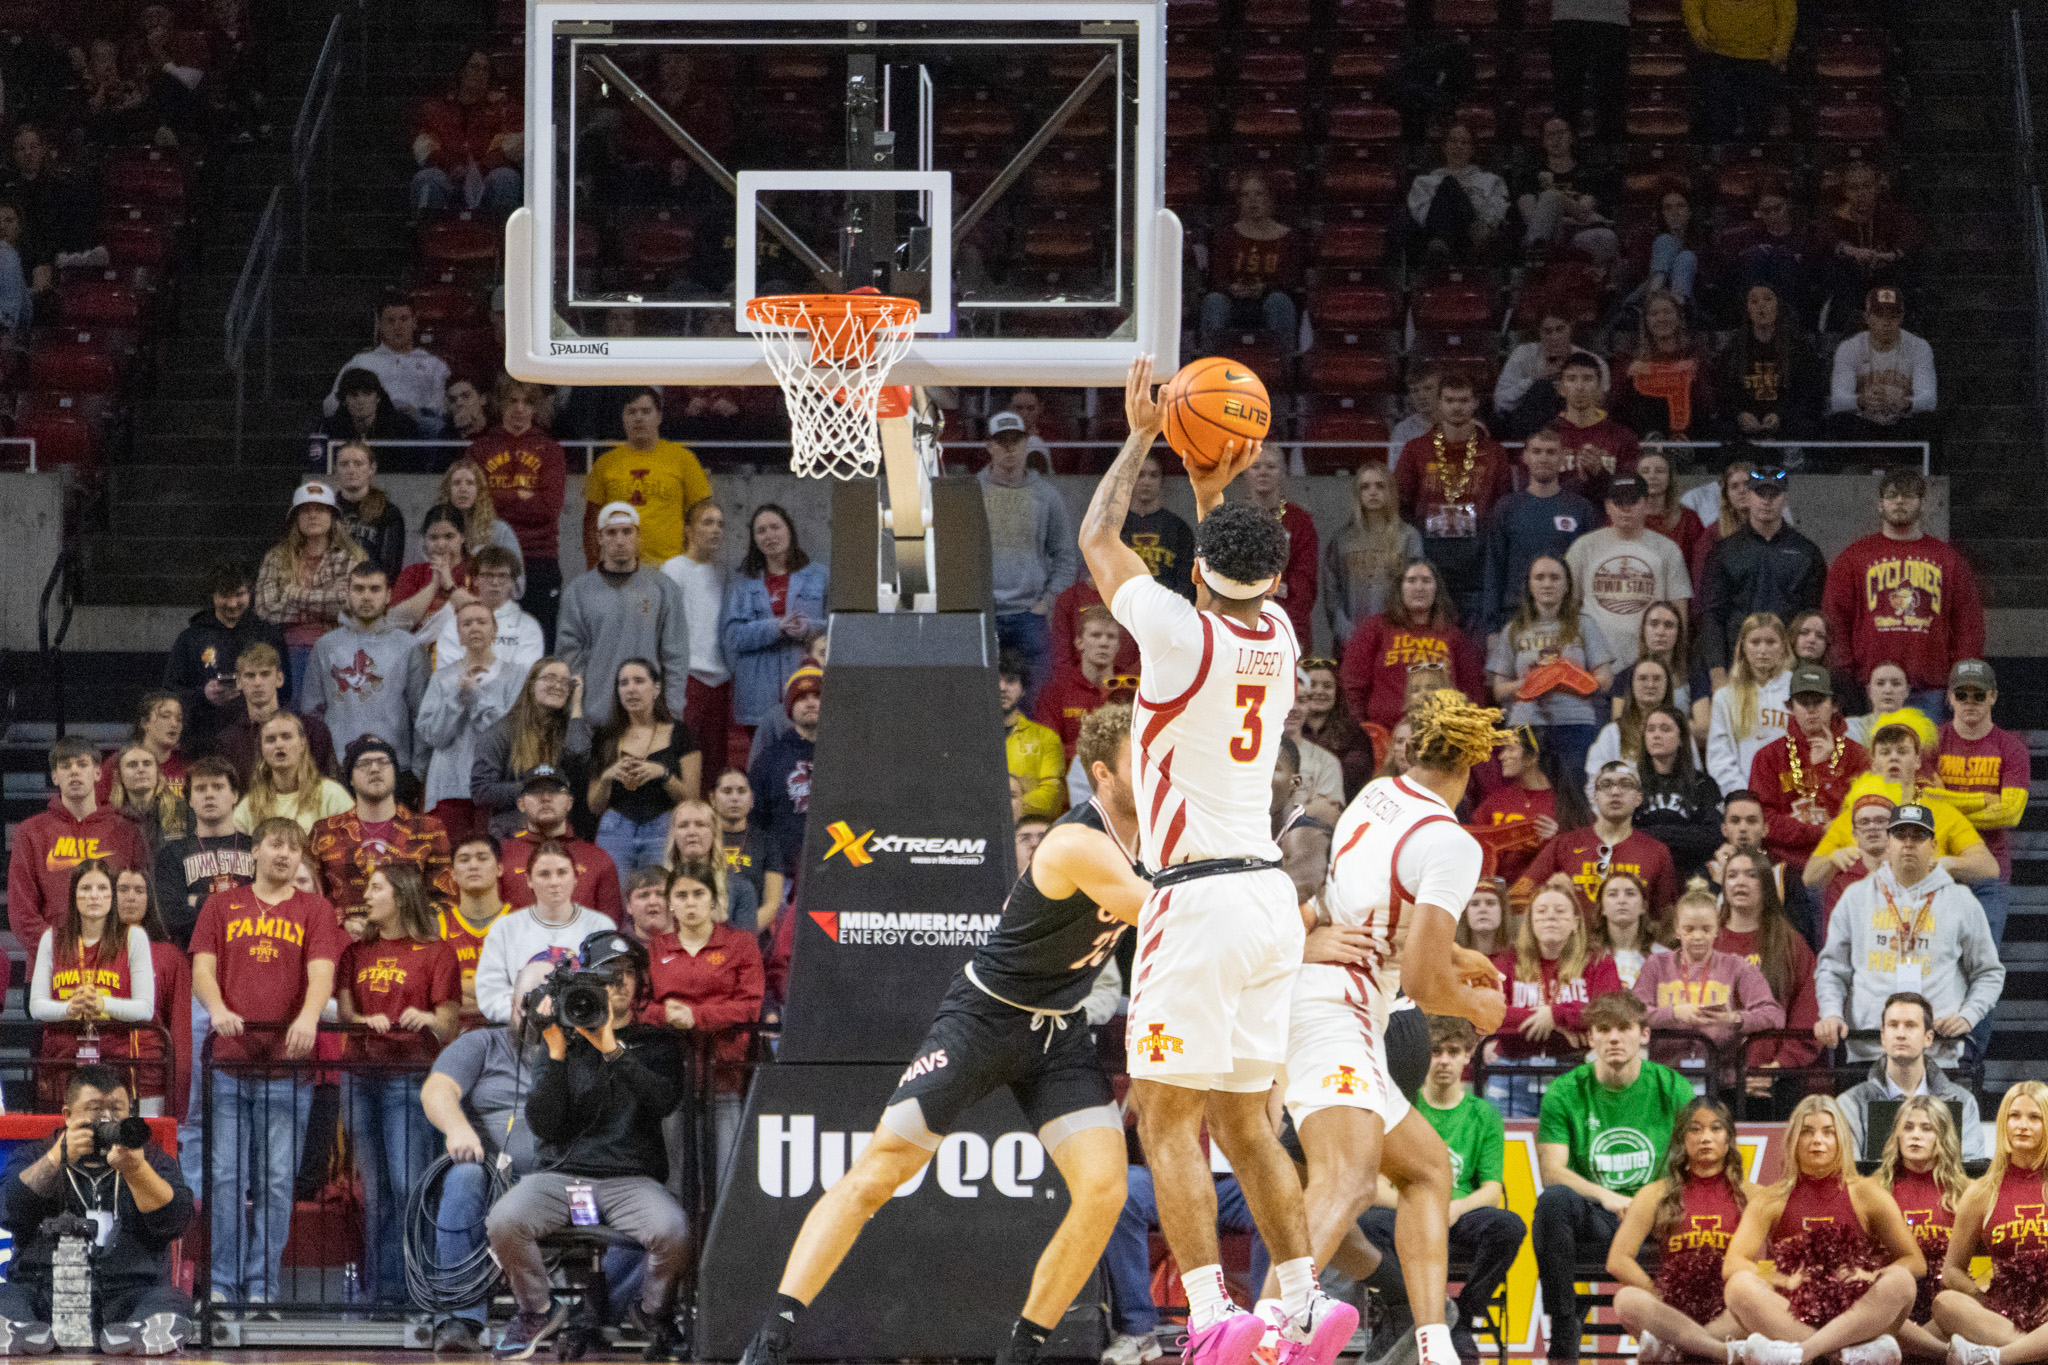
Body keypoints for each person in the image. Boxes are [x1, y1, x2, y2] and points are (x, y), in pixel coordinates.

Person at [1079, 357, 1354, 1365]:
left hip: (1193, 902)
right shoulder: (1279, 636)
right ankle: (1297, 1303)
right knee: (1245, 1124)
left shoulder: (1171, 631)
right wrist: (1214, 473)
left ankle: (1208, 1319)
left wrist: (1147, 431)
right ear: (1274, 581)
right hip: (1270, 899)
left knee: (1160, 1114)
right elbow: (1229, 549)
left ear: (1193, 572)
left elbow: (1097, 539)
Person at [736, 700, 1152, 1365]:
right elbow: (1163, 910)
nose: (1161, 767)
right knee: (879, 1172)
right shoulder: (1078, 839)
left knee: (1105, 1187)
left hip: (1059, 1033)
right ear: (1105, 773)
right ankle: (771, 1339)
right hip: (984, 1018)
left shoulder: (1158, 827)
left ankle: (1022, 1350)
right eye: (1145, 757)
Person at [1281, 690, 1513, 1365]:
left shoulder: (1377, 794)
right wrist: (1480, 1011)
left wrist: (1457, 954)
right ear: (1471, 761)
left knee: (1428, 1167)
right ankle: (1262, 1330)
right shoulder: (1451, 842)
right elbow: (1421, 981)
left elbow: (1357, 905)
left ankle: (1432, 1341)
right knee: (1347, 1183)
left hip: (1331, 993)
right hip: (1337, 1006)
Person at [485, 930, 689, 1360]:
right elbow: (543, 1124)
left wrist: (614, 1051)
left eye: (626, 974)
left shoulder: (657, 1043)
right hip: (560, 1174)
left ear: (640, 983)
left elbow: (663, 1101)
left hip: (629, 1177)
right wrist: (556, 1053)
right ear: (588, 982)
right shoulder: (563, 1041)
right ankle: (538, 1311)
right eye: (605, 976)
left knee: (673, 1231)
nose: (616, 984)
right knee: (504, 1219)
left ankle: (652, 1312)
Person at [190, 817, 347, 1308]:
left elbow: (322, 970)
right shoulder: (221, 904)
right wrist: (217, 1010)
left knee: (278, 1182)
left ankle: (262, 1289)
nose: (285, 855)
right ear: (254, 850)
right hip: (230, 1062)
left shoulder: (314, 908)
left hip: (287, 1065)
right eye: (276, 845)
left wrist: (307, 1017)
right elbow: (202, 968)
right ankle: (222, 1282)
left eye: (295, 849)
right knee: (227, 1179)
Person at [1531, 991, 1697, 1364]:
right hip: (1598, 1215)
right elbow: (1552, 1171)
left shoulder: (1673, 1088)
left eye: (1624, 1028)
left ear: (1644, 1035)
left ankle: (1698, 1333)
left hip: (1657, 1214)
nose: (1614, 1038)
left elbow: (1696, 1167)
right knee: (1553, 1202)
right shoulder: (1564, 1091)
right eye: (1603, 1030)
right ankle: (1563, 1325)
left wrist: (1646, 1202)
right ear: (1591, 1038)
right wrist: (1606, 1196)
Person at [1354, 1016, 1524, 1365]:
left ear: (1467, 1056)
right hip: (1407, 1215)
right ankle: (1406, 1309)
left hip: (1458, 1216)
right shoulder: (1401, 1107)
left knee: (1509, 1226)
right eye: (1435, 1051)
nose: (1444, 1060)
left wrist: (1454, 1209)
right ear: (1421, 1056)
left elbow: (1492, 1189)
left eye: (1453, 1051)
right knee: (1367, 1224)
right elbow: (1375, 1187)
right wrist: (1421, 1209)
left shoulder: (1484, 1114)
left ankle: (1463, 1314)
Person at [0, 1064, 195, 1356]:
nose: (106, 1118)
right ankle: (24, 1330)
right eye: (94, 1108)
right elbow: (9, 1209)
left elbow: (177, 1218)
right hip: (45, 1290)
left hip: (129, 1292)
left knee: (173, 1300)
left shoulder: (151, 1157)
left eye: (117, 1109)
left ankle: (135, 1333)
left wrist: (136, 1170)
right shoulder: (37, 1153)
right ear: (67, 1116)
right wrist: (58, 1157)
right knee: (6, 1296)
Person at [335, 865, 459, 1304]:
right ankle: (381, 1290)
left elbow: (448, 1022)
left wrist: (426, 1017)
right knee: (376, 1188)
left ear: (401, 895)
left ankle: (416, 1288)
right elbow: (345, 1013)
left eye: (375, 887)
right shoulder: (354, 953)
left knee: (409, 1183)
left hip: (409, 1076)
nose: (366, 894)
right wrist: (362, 1020)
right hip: (361, 1075)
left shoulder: (436, 952)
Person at [1721, 1096, 1922, 1365]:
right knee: (1738, 1286)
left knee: (1901, 1280)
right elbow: (1733, 1264)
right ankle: (1844, 1357)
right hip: (1792, 1310)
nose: (1818, 1140)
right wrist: (1783, 1280)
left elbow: (1915, 1262)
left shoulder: (1867, 1194)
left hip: (1856, 1308)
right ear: (1793, 1140)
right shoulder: (1770, 1199)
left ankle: (1802, 1354)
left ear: (1841, 1139)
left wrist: (1870, 1274)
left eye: (1828, 1132)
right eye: (1807, 1131)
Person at [420, 956, 553, 1353]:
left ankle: (600, 1312)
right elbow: (436, 1090)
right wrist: (458, 1128)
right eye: (529, 1001)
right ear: (514, 1005)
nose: (540, 1011)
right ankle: (459, 1319)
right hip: (496, 1177)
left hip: (561, 1182)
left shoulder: (584, 1051)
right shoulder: (483, 1043)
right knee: (463, 1175)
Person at [1815, 804, 2004, 1069]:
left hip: (1937, 1051)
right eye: (1899, 835)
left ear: (1934, 845)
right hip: (1868, 1049)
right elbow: (1832, 969)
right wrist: (1831, 1013)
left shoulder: (1961, 900)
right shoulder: (1856, 897)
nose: (1908, 844)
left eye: (1918, 836)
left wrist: (1969, 1016)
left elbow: (1989, 972)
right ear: (1888, 843)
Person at [1822, 471, 1985, 712]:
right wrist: (1846, 675)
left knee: (1926, 751)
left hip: (1930, 688)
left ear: (1923, 503)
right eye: (1891, 496)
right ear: (1880, 504)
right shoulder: (1853, 558)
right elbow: (1834, 618)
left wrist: (1961, 680)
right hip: (1870, 686)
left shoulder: (1949, 560)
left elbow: (1968, 625)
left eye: (1908, 496)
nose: (1899, 501)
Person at [1608, 1099, 1756, 1363]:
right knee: (1626, 1299)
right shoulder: (1655, 1194)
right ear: (1682, 1139)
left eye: (1716, 1128)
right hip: (1673, 1308)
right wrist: (1658, 1297)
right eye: (1695, 1129)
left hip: (1730, 1312)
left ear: (1729, 1138)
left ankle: (1679, 1350)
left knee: (1758, 1302)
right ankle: (1719, 1353)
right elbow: (1618, 1260)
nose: (1705, 1138)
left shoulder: (1755, 1195)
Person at [641, 858, 764, 1173]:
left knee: (726, 1176)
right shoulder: (656, 948)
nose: (690, 903)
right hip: (672, 1078)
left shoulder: (741, 944)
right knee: (676, 1177)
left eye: (698, 893)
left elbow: (750, 1006)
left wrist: (697, 1016)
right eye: (681, 896)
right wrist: (666, 1014)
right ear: (671, 903)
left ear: (714, 900)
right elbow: (640, 1008)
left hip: (724, 1074)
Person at [1803, 710, 1999, 898]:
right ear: (1874, 764)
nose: (1893, 757)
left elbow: (1989, 867)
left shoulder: (1941, 812)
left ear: (1917, 761)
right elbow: (1809, 877)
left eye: (1902, 751)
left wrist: (1949, 863)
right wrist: (1833, 859)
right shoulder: (1858, 815)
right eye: (1885, 752)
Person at [1931, 1082, 2048, 1365]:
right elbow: (1952, 1271)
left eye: (2035, 1118)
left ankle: (1995, 1358)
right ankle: (2031, 1352)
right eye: (2014, 1115)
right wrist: (1984, 1299)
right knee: (1945, 1304)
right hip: (2003, 1314)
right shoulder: (1981, 1192)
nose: (2022, 1125)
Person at [29, 860, 160, 1104]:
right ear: (73, 895)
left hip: (116, 1063)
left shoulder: (134, 936)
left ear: (112, 896)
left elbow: (145, 1008)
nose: (94, 896)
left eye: (102, 888)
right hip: (63, 1061)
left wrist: (103, 1004)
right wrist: (70, 1009)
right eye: (86, 888)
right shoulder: (52, 938)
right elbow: (36, 1006)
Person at [1488, 883, 1625, 1111]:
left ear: (1575, 922)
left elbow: (1610, 1012)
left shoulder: (1599, 962)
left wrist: (1555, 1015)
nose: (1550, 916)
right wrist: (1555, 1023)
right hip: (1512, 1071)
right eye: (1541, 911)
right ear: (1530, 922)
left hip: (1575, 1070)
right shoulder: (1507, 962)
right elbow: (1493, 1013)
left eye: (1560, 911)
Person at [559, 503, 692, 733]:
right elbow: (570, 657)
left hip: (650, 719)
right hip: (596, 719)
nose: (620, 541)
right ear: (599, 538)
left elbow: (675, 655)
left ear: (638, 536)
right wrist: (576, 713)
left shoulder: (663, 588)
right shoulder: (578, 591)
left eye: (627, 532)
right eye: (611, 533)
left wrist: (672, 709)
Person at [9, 737, 150, 950]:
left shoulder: (128, 830)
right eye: (65, 766)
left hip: (113, 960)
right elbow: (22, 913)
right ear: (55, 776)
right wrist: (65, 951)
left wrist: (110, 951)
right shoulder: (30, 832)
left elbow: (140, 902)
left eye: (82, 764)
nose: (74, 771)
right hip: (51, 964)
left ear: (97, 773)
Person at [1393, 378, 1515, 624]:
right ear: (1439, 403)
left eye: (1463, 400)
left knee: (1472, 644)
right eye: (1449, 400)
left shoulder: (1494, 453)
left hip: (1479, 563)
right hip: (1429, 558)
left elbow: (1504, 507)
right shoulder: (1415, 450)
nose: (1456, 407)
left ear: (1475, 404)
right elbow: (1400, 505)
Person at [979, 413, 1080, 710]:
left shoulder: (1046, 496)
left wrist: (1047, 601)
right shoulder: (972, 493)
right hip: (985, 615)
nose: (1010, 448)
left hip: (1030, 615)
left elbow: (1065, 557)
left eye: (1016, 441)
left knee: (1038, 702)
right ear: (990, 446)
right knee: (981, 705)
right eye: (1002, 441)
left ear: (1027, 444)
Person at [1934, 660, 2028, 971]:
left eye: (1979, 695)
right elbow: (1922, 802)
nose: (1970, 702)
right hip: (1938, 869)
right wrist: (1984, 800)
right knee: (1935, 966)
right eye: (1962, 695)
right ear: (1950, 698)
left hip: (1991, 874)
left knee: (1981, 969)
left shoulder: (2011, 748)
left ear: (1993, 697)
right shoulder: (1931, 742)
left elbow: (2011, 814)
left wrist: (1945, 802)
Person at [1488, 556, 1615, 780]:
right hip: (1526, 726)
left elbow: (1605, 678)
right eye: (1540, 577)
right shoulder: (1513, 630)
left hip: (1575, 724)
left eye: (1555, 578)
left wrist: (1569, 678)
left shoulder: (1584, 624)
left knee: (1573, 795)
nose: (1547, 584)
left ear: (1567, 586)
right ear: (1529, 584)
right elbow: (1498, 690)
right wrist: (1532, 682)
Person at [719, 504, 828, 753]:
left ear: (789, 530)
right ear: (754, 539)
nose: (769, 535)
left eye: (775, 527)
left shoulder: (819, 576)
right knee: (762, 764)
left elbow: (837, 629)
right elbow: (732, 637)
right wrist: (776, 627)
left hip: (807, 690)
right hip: (757, 695)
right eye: (761, 531)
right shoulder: (742, 584)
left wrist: (806, 628)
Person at [306, 734, 452, 918]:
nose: (375, 769)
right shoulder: (324, 831)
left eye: (383, 762)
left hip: (408, 942)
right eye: (364, 763)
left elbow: (445, 899)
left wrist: (410, 928)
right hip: (342, 942)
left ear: (395, 773)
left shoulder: (428, 829)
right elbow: (310, 898)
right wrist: (339, 928)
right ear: (350, 778)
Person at [1834, 992, 1989, 1165]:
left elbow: (1970, 1173)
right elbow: (1850, 1176)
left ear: (1928, 1038)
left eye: (1910, 1025)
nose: (1901, 1034)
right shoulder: (1850, 1103)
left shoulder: (1962, 1102)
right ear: (1883, 1037)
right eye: (1893, 1025)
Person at [474, 840, 619, 1024]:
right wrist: (530, 1014)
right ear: (529, 880)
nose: (554, 882)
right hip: (521, 1030)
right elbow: (490, 993)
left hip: (585, 1030)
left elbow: (612, 986)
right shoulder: (504, 928)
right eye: (544, 874)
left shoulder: (600, 926)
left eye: (562, 873)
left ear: (575, 878)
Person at [300, 561, 423, 778]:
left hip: (394, 767)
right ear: (347, 594)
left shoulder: (409, 646)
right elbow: (311, 714)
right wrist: (315, 768)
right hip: (337, 767)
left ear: (388, 595)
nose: (366, 596)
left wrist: (418, 771)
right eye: (358, 589)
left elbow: (421, 714)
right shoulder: (325, 646)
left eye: (374, 589)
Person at [586, 659, 700, 886]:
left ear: (656, 688)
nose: (631, 689)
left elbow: (693, 801)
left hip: (663, 825)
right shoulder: (606, 736)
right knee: (614, 905)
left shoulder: (680, 734)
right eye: (623, 683)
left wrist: (663, 773)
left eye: (639, 681)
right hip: (616, 828)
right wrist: (608, 777)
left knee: (659, 898)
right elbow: (593, 805)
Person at [1513, 761, 1679, 919]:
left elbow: (1665, 918)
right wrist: (1549, 890)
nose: (1615, 792)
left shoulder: (1656, 852)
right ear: (1594, 796)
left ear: (1638, 798)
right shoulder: (1563, 845)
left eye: (1625, 784)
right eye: (1606, 785)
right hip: (1576, 947)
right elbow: (1516, 899)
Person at [470, 378, 568, 642]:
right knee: (489, 639)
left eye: (527, 402)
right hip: (491, 558)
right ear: (500, 404)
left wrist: (498, 498)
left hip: (539, 558)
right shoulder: (480, 449)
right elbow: (475, 507)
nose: (520, 408)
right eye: (512, 400)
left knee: (541, 643)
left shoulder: (550, 450)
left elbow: (548, 508)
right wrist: (521, 496)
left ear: (535, 407)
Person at [1634, 882, 1783, 1056]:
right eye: (1689, 929)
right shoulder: (1656, 965)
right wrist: (1674, 1013)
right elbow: (1633, 1013)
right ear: (1677, 929)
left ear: (1717, 929)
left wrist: (1734, 1018)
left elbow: (1774, 1014)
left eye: (1706, 929)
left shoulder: (1736, 966)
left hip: (1720, 1073)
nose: (1697, 936)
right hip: (1666, 1073)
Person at [1875, 1094, 1971, 1360]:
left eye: (1926, 1128)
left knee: (1959, 1307)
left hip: (1946, 1312)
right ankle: (1947, 1355)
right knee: (1863, 1311)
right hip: (1894, 1312)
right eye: (1908, 1127)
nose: (1915, 1135)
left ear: (1943, 1137)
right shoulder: (1874, 1190)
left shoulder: (1968, 1193)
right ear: (1896, 1136)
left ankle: (1923, 1346)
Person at [1340, 561, 1487, 731]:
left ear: (1436, 589)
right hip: (1384, 735)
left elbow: (1472, 691)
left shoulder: (1454, 635)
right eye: (1411, 580)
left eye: (1426, 581)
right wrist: (1361, 731)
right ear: (1399, 588)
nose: (1419, 587)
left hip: (1439, 734)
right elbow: (1352, 683)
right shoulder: (1374, 628)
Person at [1749, 662, 1870, 866]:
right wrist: (1818, 831)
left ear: (1834, 706)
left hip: (1844, 858)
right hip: (1787, 861)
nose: (1811, 709)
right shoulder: (1768, 757)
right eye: (1804, 702)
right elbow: (1763, 820)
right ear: (1790, 707)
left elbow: (1865, 812)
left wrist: (1824, 770)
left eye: (1818, 700)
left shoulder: (1858, 756)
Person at [164, 562, 290, 753]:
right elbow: (170, 694)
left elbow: (286, 690)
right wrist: (203, 694)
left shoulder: (268, 635)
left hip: (261, 741)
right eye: (224, 596)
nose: (232, 603)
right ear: (213, 595)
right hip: (205, 742)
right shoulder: (191, 638)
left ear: (251, 593)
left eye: (239, 595)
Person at [1568, 476, 1690, 673]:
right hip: (1595, 663)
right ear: (1608, 506)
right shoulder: (1583, 547)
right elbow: (1568, 606)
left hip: (1650, 664)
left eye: (1632, 501)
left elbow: (1679, 611)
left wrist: (1676, 663)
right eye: (1618, 502)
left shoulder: (1668, 550)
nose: (1626, 508)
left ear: (1645, 504)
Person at [1481, 432, 1599, 634]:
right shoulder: (1507, 507)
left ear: (1563, 458)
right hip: (1515, 615)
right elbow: (1494, 569)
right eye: (1537, 451)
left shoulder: (1580, 508)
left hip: (1566, 616)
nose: (1543, 458)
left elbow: (1590, 570)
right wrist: (1492, 629)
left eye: (1551, 452)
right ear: (1525, 456)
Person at [255, 481, 368, 691]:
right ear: (295, 518)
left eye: (320, 509)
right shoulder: (276, 558)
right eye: (305, 510)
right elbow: (266, 609)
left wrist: (292, 595)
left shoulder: (351, 557)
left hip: (339, 646)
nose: (313, 515)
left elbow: (348, 605)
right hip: (288, 649)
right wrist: (324, 606)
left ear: (332, 516)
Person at [581, 388, 711, 568]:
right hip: (620, 568)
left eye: (646, 411)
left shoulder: (684, 459)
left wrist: (694, 565)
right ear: (623, 417)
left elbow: (702, 516)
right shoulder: (605, 463)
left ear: (659, 417)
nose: (638, 418)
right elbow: (591, 521)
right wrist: (594, 564)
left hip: (670, 566)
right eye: (632, 412)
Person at [662, 498, 736, 776]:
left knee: (716, 762)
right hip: (688, 676)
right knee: (684, 758)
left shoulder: (725, 572)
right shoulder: (674, 569)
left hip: (721, 679)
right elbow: (664, 627)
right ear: (688, 530)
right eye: (708, 523)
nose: (716, 530)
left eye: (720, 524)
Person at [498, 766, 624, 923]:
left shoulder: (597, 859)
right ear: (521, 804)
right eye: (536, 791)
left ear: (569, 803)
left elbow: (610, 925)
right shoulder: (502, 854)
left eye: (555, 791)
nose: (545, 798)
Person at [472, 658, 580, 839]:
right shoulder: (501, 732)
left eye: (564, 682)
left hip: (559, 832)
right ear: (531, 685)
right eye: (550, 678)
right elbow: (481, 791)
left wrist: (576, 706)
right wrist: (533, 788)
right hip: (513, 832)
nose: (558, 686)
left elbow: (579, 755)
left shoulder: (567, 731)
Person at [154, 755, 253, 950]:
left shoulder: (256, 848)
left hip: (248, 953)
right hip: (193, 954)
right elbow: (172, 918)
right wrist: (240, 906)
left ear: (235, 796)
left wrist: (195, 900)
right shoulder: (172, 854)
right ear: (189, 799)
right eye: (200, 788)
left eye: (217, 787)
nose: (209, 795)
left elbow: (269, 904)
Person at [1321, 464, 1422, 652]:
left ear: (1391, 491)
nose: (1373, 492)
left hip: (1396, 639)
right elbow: (1332, 593)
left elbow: (1417, 591)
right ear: (1357, 493)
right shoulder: (1342, 539)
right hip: (1351, 639)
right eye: (1365, 487)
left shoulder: (1408, 537)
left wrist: (1401, 631)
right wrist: (1347, 633)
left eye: (1380, 486)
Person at [322, 293, 453, 436]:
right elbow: (331, 406)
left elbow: (443, 410)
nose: (397, 326)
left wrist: (416, 414)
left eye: (404, 319)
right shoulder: (362, 362)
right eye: (390, 320)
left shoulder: (433, 364)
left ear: (414, 322)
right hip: (372, 435)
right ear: (380, 325)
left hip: (418, 436)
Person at [1828, 288, 1938, 453]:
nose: (1886, 322)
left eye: (1893, 316)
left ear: (1901, 318)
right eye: (1879, 315)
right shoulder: (1849, 347)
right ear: (1867, 318)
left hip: (1902, 422)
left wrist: (1906, 403)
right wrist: (1861, 401)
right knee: (1839, 421)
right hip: (1864, 422)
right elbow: (1838, 399)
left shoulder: (1919, 346)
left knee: (1928, 422)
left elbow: (1929, 399)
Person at [1200, 174, 1302, 348]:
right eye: (1246, 195)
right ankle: (1210, 358)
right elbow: (1217, 278)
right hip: (1233, 300)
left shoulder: (1288, 238)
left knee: (1280, 301)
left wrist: (1265, 289)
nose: (1252, 201)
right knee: (1213, 301)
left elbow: (1291, 279)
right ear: (1239, 201)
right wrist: (1232, 288)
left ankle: (1284, 361)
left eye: (1259, 194)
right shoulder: (1225, 235)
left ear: (1270, 199)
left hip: (1270, 298)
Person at [1473, 727, 1582, 886]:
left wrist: (1555, 839)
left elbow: (1581, 855)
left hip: (1545, 898)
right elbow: (1475, 843)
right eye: (1503, 749)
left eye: (1510, 749)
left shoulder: (1565, 803)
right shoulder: (1496, 801)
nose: (1502, 756)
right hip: (1500, 896)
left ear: (1532, 757)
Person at [749, 662, 822, 884]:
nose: (810, 703)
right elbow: (755, 823)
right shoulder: (769, 759)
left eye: (817, 696)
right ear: (790, 708)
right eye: (801, 698)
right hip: (784, 876)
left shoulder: (849, 755)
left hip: (841, 870)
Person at [1035, 607, 1139, 762]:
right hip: (1071, 776)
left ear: (1118, 646)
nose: (1103, 643)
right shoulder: (1056, 691)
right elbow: (1047, 746)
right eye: (1096, 635)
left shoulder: (1131, 689)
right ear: (1079, 642)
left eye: (1111, 637)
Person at [1682, 0, 1793, 145]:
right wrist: (1698, 30)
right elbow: (1692, 4)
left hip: (1761, 59)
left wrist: (1782, 46)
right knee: (1719, 122)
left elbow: (1787, 11)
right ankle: (1722, 162)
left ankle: (1752, 163)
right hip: (1718, 56)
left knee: (1757, 124)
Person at [1718, 284, 1820, 442]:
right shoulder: (1735, 346)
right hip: (1745, 423)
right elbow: (1723, 392)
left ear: (1778, 304)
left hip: (1787, 421)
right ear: (1747, 309)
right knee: (1723, 430)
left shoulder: (1798, 345)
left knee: (1805, 427)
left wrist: (1781, 416)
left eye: (1767, 299)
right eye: (1754, 301)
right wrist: (1739, 415)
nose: (1761, 306)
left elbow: (1809, 392)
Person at [1706, 612, 1793, 795]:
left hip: (1791, 794)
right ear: (1743, 646)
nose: (1763, 650)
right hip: (1744, 797)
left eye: (1771, 642)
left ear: (1784, 646)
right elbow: (1719, 757)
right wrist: (1741, 794)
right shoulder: (1725, 697)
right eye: (1755, 642)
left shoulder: (1796, 689)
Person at [1242, 446, 1319, 647]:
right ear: (1245, 472)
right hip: (1240, 621)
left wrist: (1288, 624)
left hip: (1289, 623)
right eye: (1256, 466)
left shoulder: (1300, 521)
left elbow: (1305, 581)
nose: (1263, 472)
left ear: (1283, 474)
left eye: (1271, 466)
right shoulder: (1232, 518)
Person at [1636, 706, 1724, 878]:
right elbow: (1626, 834)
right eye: (1650, 729)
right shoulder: (1633, 784)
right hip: (1643, 870)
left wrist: (1656, 834)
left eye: (1665, 729)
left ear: (1681, 738)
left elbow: (1713, 836)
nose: (1656, 735)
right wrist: (1681, 834)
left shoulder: (1703, 784)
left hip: (1692, 872)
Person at [430, 547, 544, 679]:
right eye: (488, 575)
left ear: (512, 581)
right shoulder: (454, 625)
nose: (495, 582)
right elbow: (446, 676)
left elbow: (524, 677)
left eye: (502, 575)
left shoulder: (528, 627)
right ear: (475, 579)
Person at [1612, 292, 1709, 441]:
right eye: (1654, 314)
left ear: (1679, 317)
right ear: (1645, 321)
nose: (1661, 319)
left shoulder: (1695, 354)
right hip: (1644, 436)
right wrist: (1627, 376)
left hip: (1692, 434)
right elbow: (1614, 406)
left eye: (1667, 312)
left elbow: (1709, 406)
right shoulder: (1629, 357)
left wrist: (1696, 377)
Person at [1404, 124, 1508, 262]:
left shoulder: (1490, 180)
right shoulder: (1424, 182)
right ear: (1444, 147)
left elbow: (1497, 212)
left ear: (1472, 150)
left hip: (1473, 232)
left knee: (1450, 184)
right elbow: (1421, 215)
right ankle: (1441, 243)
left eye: (1464, 142)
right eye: (1453, 141)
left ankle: (1443, 242)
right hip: (1433, 233)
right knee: (1448, 183)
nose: (1458, 146)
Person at [1549, 355, 1639, 504]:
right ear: (1561, 388)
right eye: (1571, 379)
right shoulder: (1546, 436)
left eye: (1587, 379)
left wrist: (1600, 473)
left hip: (1607, 520)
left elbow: (1630, 493)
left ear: (1599, 387)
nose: (1580, 387)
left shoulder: (1623, 437)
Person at [440, 833, 512, 1020]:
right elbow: (434, 999)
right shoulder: (437, 926)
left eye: (482, 858)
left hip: (509, 1039)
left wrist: (459, 991)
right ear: (453, 874)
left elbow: (526, 997)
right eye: (464, 859)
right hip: (454, 1042)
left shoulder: (521, 923)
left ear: (499, 868)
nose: (473, 865)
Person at [1586, 655, 1678, 797]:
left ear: (1667, 685)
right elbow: (1595, 787)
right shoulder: (1612, 734)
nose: (1650, 685)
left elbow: (1691, 778)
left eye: (1657, 679)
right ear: (1631, 685)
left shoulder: (1679, 732)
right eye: (1642, 678)